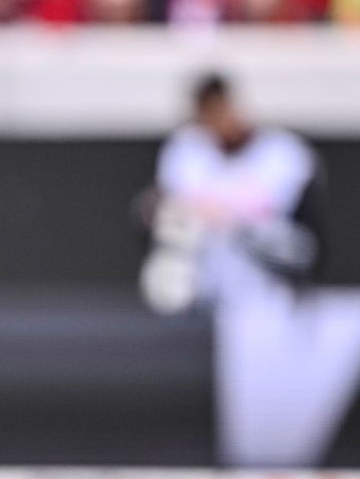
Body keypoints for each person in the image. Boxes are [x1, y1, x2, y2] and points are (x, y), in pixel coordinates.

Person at [139, 73, 324, 315]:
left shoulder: (282, 151)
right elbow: (179, 208)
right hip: (207, 269)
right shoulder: (187, 147)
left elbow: (269, 210)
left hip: (267, 268)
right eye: (208, 114)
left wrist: (222, 212)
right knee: (178, 234)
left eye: (221, 110)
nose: (217, 122)